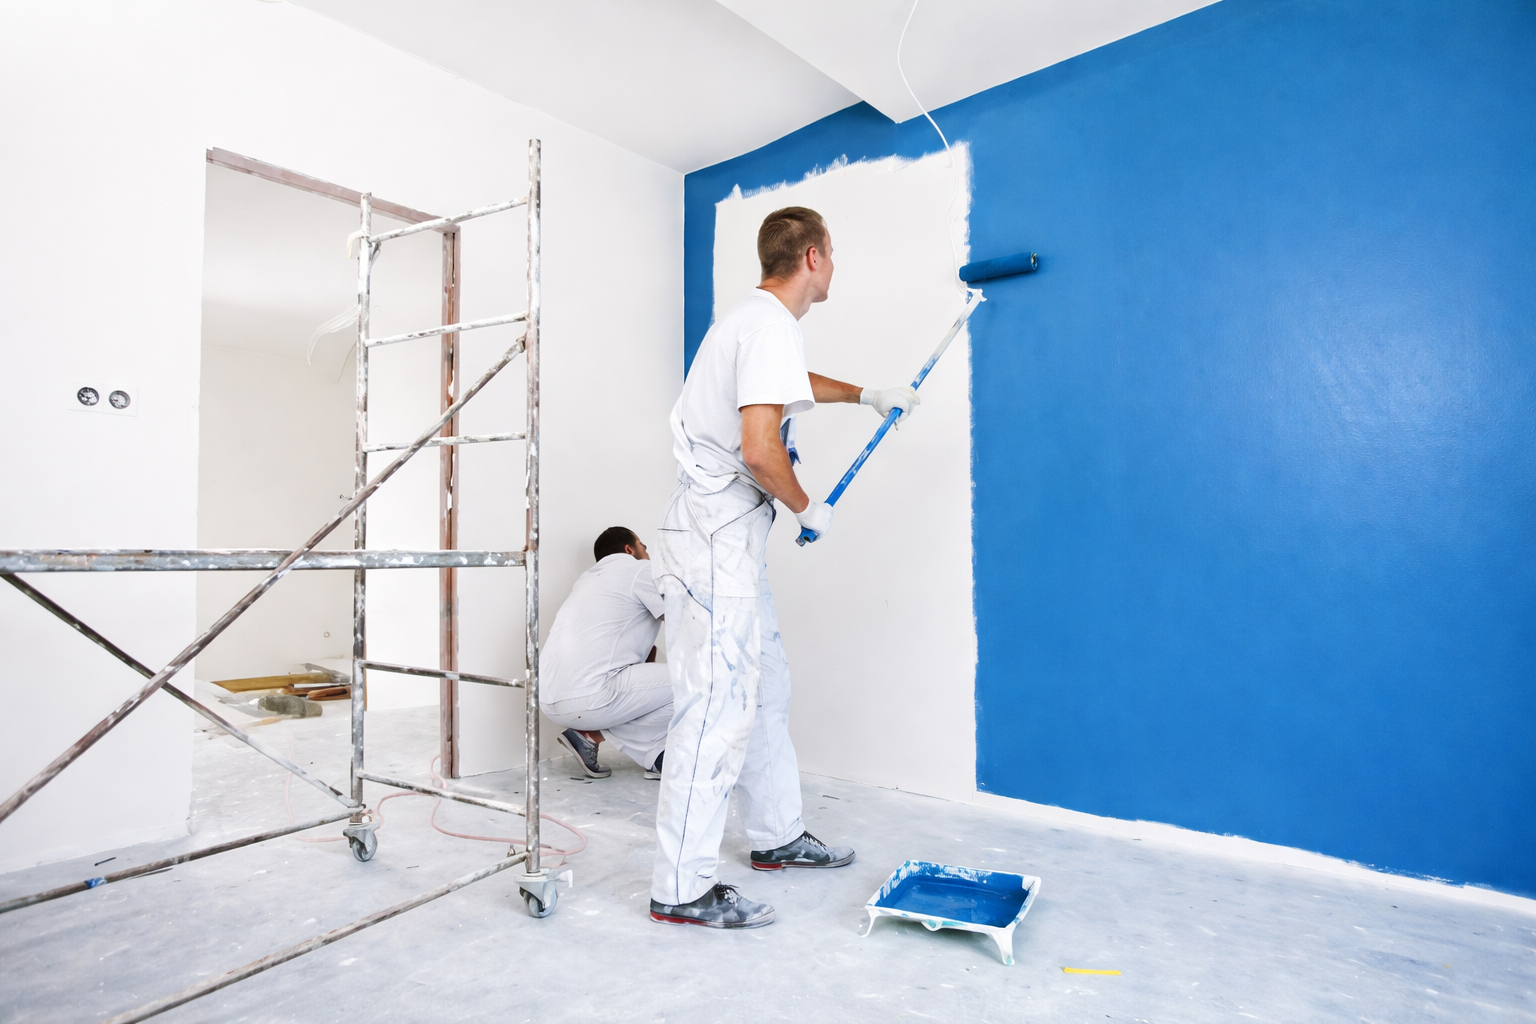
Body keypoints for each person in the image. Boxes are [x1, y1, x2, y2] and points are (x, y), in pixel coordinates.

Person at [648, 206, 920, 929]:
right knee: (716, 704)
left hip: (725, 536)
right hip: (714, 538)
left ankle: (774, 837)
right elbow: (760, 448)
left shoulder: (760, 324)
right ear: (813, 257)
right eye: (832, 253)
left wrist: (865, 395)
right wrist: (808, 507)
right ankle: (679, 887)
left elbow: (790, 381)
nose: (834, 264)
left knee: (763, 686)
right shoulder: (767, 325)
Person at [539, 526, 670, 780]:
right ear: (629, 549)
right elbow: (684, 620)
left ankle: (657, 757)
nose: (648, 552)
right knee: (697, 680)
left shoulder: (585, 581)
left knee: (658, 666)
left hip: (548, 697)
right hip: (588, 698)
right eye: (643, 546)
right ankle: (592, 736)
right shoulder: (640, 569)